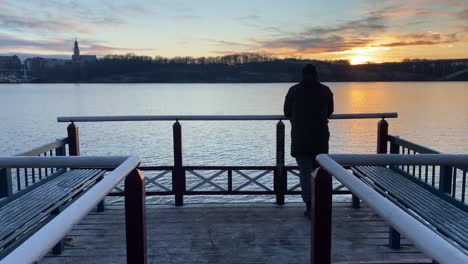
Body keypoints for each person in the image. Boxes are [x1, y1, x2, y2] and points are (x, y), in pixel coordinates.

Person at [283, 64, 334, 218]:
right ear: (316, 75)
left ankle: (309, 206)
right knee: (320, 173)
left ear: (302, 75)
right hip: (320, 139)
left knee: (305, 174)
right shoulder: (325, 91)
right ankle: (321, 204)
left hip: (300, 140)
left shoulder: (294, 90)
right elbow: (330, 111)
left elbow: (286, 112)